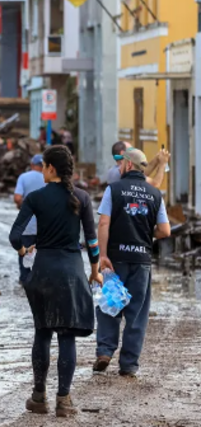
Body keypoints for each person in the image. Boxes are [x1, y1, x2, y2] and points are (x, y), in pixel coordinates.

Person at [9, 145, 101, 418]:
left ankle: (39, 396)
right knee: (67, 335)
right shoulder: (82, 197)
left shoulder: (35, 198)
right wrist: (94, 271)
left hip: (44, 270)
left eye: (44, 167)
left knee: (42, 332)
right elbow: (92, 242)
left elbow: (15, 236)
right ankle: (64, 399)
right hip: (72, 271)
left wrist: (25, 251)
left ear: (50, 168)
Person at [94, 147, 171, 377]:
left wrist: (103, 256)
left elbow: (103, 224)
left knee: (110, 305)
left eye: (120, 164)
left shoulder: (113, 190)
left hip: (115, 259)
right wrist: (147, 233)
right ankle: (128, 364)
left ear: (128, 165)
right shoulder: (155, 194)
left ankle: (105, 352)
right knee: (137, 313)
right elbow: (165, 231)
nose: (118, 167)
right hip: (141, 260)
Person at [13, 154, 46, 284]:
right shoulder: (48, 178)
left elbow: (17, 198)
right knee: (43, 254)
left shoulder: (24, 177)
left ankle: (25, 279)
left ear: (32, 165)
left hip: (27, 225)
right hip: (45, 225)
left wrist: (23, 207)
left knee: (25, 252)